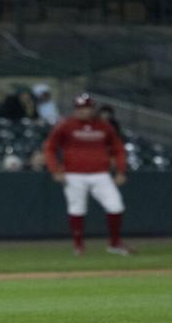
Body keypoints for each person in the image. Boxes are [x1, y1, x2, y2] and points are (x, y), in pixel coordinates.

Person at [42, 93, 133, 255]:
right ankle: (78, 246)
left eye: (87, 107)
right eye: (80, 108)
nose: (84, 111)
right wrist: (54, 169)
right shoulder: (66, 125)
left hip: (100, 173)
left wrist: (121, 170)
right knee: (77, 208)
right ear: (75, 109)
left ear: (93, 108)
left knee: (116, 206)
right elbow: (50, 148)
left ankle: (114, 244)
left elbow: (118, 149)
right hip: (74, 174)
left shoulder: (104, 126)